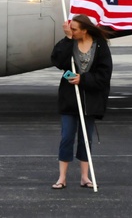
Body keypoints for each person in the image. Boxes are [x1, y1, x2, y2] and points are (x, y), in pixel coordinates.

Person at [49, 14, 112, 190]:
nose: (71, 30)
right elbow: (57, 60)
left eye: (74, 29)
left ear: (84, 30)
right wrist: (68, 39)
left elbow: (104, 74)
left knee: (86, 138)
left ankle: (85, 176)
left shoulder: (100, 45)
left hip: (90, 100)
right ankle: (62, 177)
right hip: (70, 98)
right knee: (67, 137)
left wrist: (83, 79)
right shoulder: (69, 42)